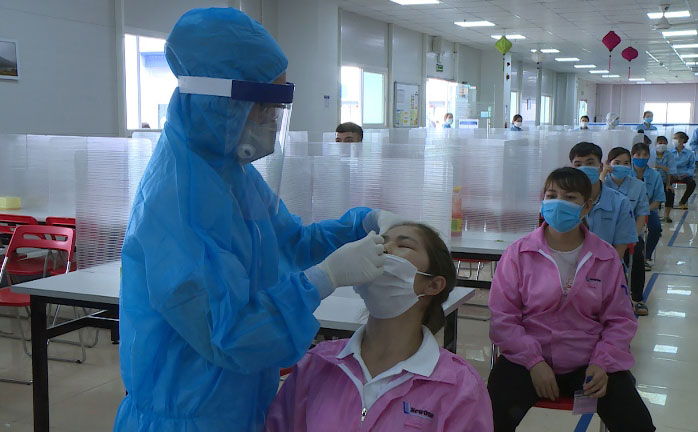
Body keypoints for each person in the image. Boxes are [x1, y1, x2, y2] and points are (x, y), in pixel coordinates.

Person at [113, 9, 404, 431]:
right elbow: (228, 334)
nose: (272, 121)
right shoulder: (175, 201)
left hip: (241, 403)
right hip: (187, 417)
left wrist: (361, 222)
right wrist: (323, 278)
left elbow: (291, 243)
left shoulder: (232, 175)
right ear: (222, 104)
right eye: (265, 107)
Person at [265, 223, 493, 431]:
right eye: (380, 242)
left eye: (403, 245)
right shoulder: (316, 365)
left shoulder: (460, 388)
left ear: (433, 284)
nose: (382, 249)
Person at [488, 167, 655, 432]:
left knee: (638, 425)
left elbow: (620, 320)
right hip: (527, 360)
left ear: (586, 206)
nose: (558, 203)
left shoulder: (605, 257)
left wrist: (602, 363)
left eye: (569, 198)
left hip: (588, 362)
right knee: (487, 422)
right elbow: (502, 318)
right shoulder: (518, 254)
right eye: (552, 195)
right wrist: (534, 363)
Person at [604, 147, 651, 315]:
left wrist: (633, 236)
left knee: (637, 256)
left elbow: (642, 214)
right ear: (608, 164)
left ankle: (637, 298)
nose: (622, 166)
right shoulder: (601, 184)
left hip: (629, 233)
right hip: (603, 234)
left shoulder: (638, 186)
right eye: (617, 163)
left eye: (626, 163)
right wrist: (602, 176)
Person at [569, 142, 637, 259]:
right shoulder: (565, 202)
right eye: (578, 164)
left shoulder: (620, 203)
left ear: (600, 167)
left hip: (606, 266)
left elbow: (620, 247)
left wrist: (607, 271)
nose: (584, 168)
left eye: (590, 163)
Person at [632, 142, 665, 272]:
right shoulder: (626, 173)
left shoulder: (654, 175)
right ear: (632, 155)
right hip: (628, 210)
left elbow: (658, 199)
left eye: (644, 155)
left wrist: (644, 211)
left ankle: (646, 256)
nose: (641, 158)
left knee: (656, 229)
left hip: (648, 208)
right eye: (638, 154)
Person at [654, 136, 677, 223]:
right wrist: (661, 166)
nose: (662, 145)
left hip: (664, 180)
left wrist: (668, 184)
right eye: (660, 143)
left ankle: (666, 216)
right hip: (652, 181)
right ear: (655, 144)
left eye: (664, 143)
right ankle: (654, 214)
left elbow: (669, 170)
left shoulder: (669, 155)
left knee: (670, 192)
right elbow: (649, 165)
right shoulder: (651, 153)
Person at [671, 131, 696, 210]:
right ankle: (669, 202)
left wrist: (686, 174)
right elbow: (667, 165)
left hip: (684, 174)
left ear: (681, 140)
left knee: (692, 183)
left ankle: (682, 202)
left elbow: (692, 167)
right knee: (665, 183)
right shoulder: (669, 152)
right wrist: (671, 174)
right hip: (671, 174)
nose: (673, 140)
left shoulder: (689, 153)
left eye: (675, 138)